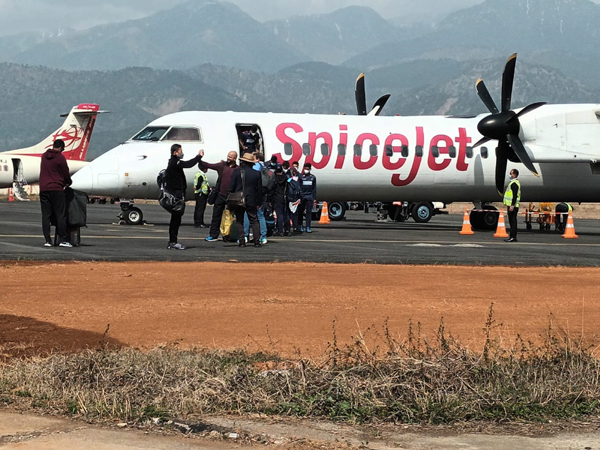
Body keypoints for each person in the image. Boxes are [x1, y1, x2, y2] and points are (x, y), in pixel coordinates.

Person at [164, 144, 202, 249]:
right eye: (180, 151)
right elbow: (188, 164)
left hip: (178, 193)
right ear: (175, 152)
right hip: (176, 194)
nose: (182, 153)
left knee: (176, 218)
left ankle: (172, 241)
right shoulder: (175, 162)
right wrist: (198, 157)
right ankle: (173, 241)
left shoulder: (172, 162)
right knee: (176, 218)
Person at [39, 139, 72, 247]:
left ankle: (47, 240)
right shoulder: (60, 158)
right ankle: (62, 239)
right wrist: (68, 182)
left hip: (44, 188)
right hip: (56, 188)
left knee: (46, 215)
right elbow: (65, 173)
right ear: (61, 148)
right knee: (60, 214)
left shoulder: (44, 156)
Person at [201, 151, 238, 242]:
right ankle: (213, 235)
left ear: (235, 158)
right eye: (228, 156)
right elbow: (209, 165)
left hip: (231, 196)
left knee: (231, 217)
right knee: (216, 215)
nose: (228, 158)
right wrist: (198, 158)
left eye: (230, 157)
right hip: (220, 195)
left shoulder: (238, 169)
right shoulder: (222, 166)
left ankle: (229, 235)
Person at [228, 153, 262, 247]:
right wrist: (259, 202)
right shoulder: (256, 173)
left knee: (239, 220)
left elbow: (231, 187)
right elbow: (259, 190)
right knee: (254, 220)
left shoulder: (236, 172)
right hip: (251, 199)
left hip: (239, 199)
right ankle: (257, 241)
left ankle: (242, 241)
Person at [270, 163, 289, 236]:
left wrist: (270, 199)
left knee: (279, 214)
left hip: (276, 197)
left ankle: (280, 230)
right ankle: (287, 229)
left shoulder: (274, 178)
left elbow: (272, 189)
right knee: (286, 214)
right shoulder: (285, 177)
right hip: (284, 196)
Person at [298, 162, 317, 233]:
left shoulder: (313, 177)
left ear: (310, 169)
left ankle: (308, 226)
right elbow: (299, 187)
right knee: (300, 212)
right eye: (305, 169)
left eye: (307, 169)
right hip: (302, 196)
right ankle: (300, 225)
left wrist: (314, 198)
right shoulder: (301, 177)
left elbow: (314, 188)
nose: (306, 170)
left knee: (309, 212)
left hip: (309, 197)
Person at [503, 168, 521, 242]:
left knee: (513, 221)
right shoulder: (513, 183)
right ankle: (512, 236)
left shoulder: (514, 184)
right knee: (512, 221)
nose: (509, 175)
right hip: (512, 205)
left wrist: (512, 205)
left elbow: (514, 196)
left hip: (513, 206)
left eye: (511, 173)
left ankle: (513, 237)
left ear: (514, 175)